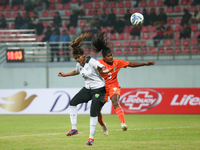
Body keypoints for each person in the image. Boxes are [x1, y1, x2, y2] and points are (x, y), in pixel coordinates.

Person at [91, 32, 155, 131]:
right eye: (108, 56)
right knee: (97, 110)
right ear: (104, 58)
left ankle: (123, 123)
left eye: (111, 55)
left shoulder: (117, 62)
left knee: (115, 102)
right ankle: (103, 125)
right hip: (102, 88)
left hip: (114, 86)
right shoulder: (98, 63)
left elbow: (131, 64)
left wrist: (145, 64)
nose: (111, 57)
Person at [58, 33, 109, 146]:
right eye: (75, 58)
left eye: (79, 57)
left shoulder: (92, 62)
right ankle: (74, 128)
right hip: (87, 89)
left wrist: (104, 71)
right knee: (72, 103)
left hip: (99, 90)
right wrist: (65, 74)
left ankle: (91, 138)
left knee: (93, 112)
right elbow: (76, 71)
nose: (77, 59)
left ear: (83, 54)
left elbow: (103, 68)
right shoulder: (79, 65)